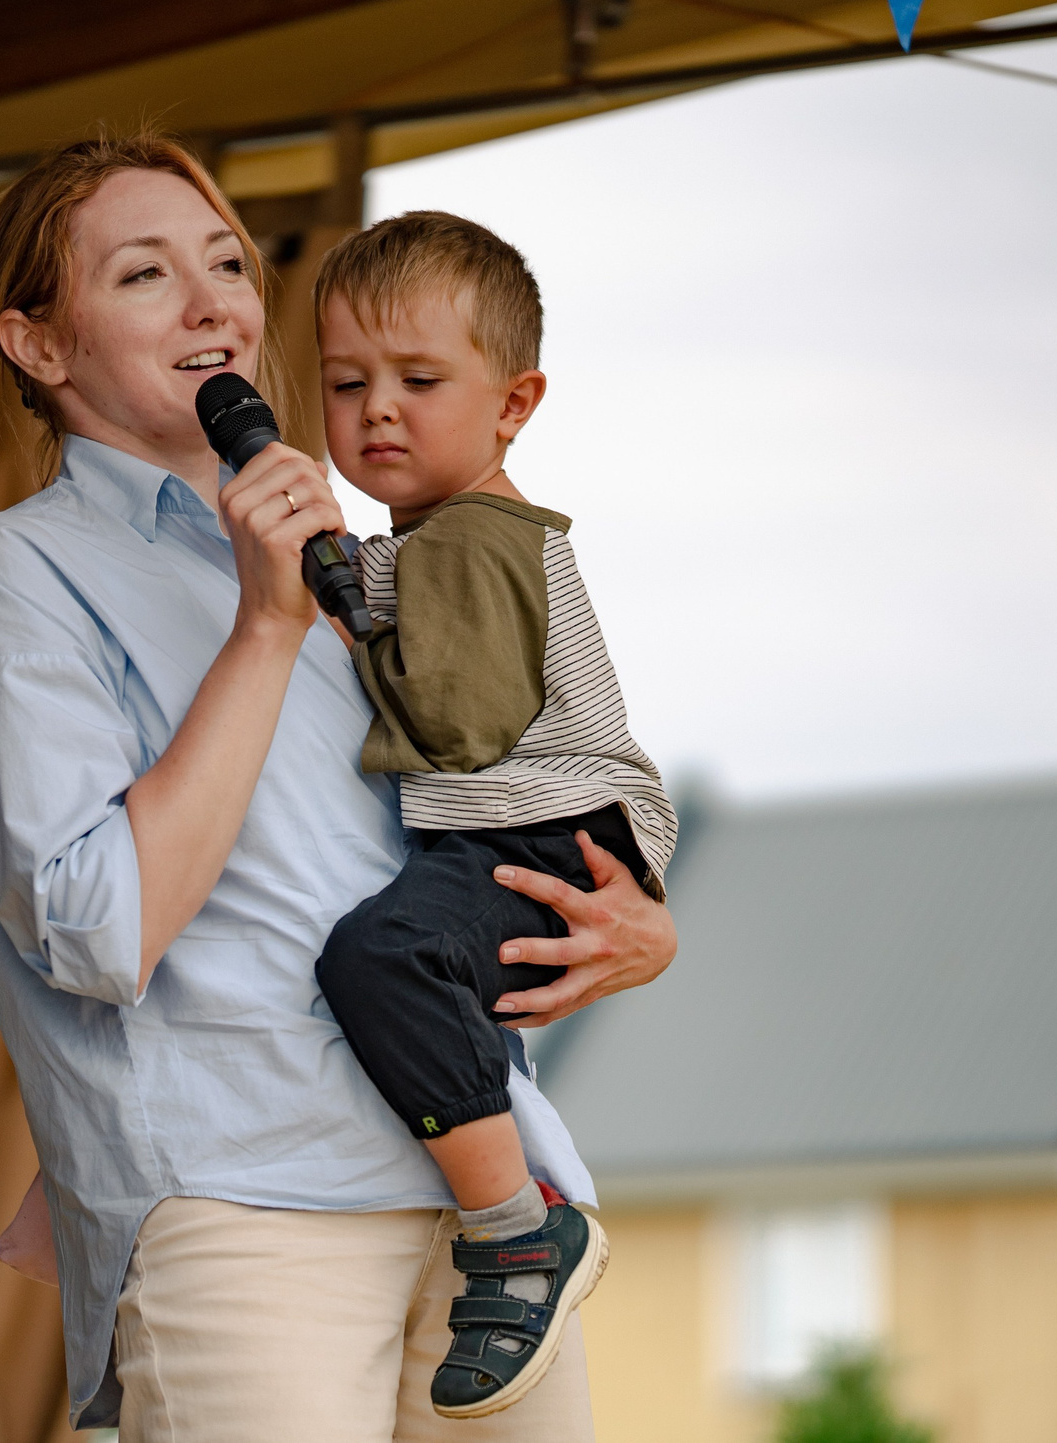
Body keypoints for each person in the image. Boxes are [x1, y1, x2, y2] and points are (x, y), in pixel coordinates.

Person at [0, 132, 676, 1439]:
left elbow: (478, 810)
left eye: (227, 265)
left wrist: (636, 918)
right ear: (38, 344)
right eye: (145, 274)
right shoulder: (12, 576)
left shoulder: (349, 554)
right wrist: (264, 627)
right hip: (249, 1207)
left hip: (490, 1205)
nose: (213, 305)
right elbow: (96, 927)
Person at [310, 211, 676, 1417]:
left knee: (385, 955)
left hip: (542, 822)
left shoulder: (466, 539)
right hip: (550, 818)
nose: (377, 411)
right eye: (346, 383)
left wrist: (346, 612)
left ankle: (516, 1228)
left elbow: (457, 722)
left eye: (419, 381)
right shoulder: (443, 538)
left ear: (513, 404)